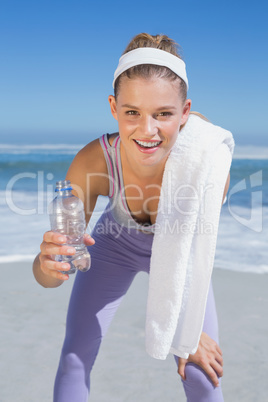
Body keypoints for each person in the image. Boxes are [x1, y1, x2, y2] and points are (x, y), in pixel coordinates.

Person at [33, 33, 230, 402]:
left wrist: (188, 331)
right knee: (74, 357)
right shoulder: (95, 160)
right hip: (115, 242)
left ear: (185, 112)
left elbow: (198, 249)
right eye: (132, 113)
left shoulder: (207, 159)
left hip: (181, 255)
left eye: (164, 114)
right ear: (113, 107)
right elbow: (50, 277)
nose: (147, 130)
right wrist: (48, 264)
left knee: (201, 369)